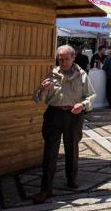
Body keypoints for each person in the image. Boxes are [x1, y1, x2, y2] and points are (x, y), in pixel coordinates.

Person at [31, 45, 96, 204]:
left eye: (66, 58)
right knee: (50, 152)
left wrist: (83, 105)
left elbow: (92, 95)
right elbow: (38, 98)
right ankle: (46, 189)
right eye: (60, 58)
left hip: (73, 115)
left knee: (72, 148)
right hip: (53, 114)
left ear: (73, 58)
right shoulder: (51, 74)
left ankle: (71, 179)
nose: (63, 61)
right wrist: (42, 89)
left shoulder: (81, 75)